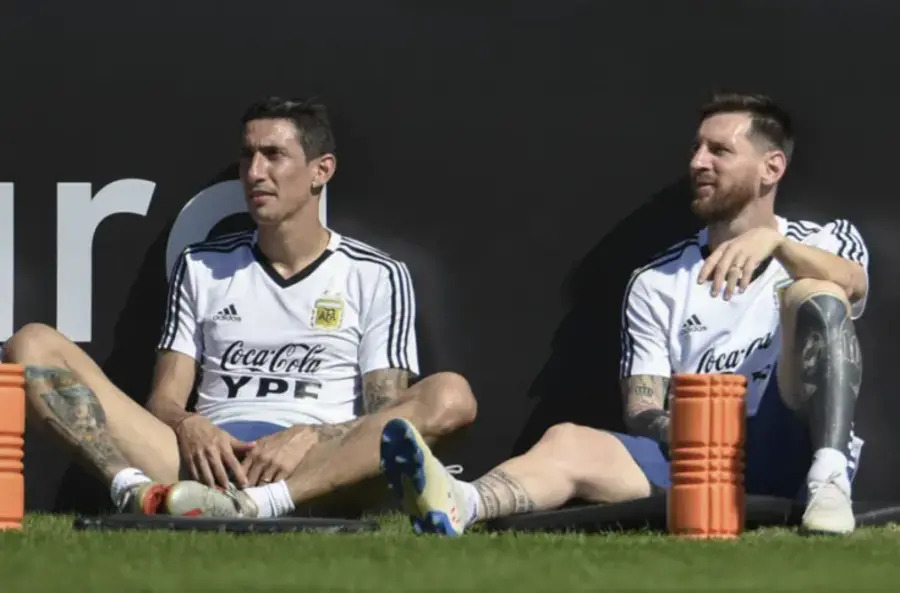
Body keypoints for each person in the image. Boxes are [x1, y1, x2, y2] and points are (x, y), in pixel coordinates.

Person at [380, 91, 868, 536]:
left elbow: (851, 285)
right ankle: (462, 503)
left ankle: (829, 479)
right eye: (696, 149)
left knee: (814, 292)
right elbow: (641, 406)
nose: (698, 162)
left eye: (719, 151)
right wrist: (680, 430)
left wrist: (777, 245)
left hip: (790, 438)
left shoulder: (828, 239)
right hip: (699, 456)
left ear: (771, 168)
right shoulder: (656, 278)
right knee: (566, 439)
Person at [3, 96, 477, 519]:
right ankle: (134, 491)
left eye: (273, 155)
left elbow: (385, 417)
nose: (254, 172)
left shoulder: (375, 273)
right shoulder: (201, 264)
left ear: (321, 170)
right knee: (32, 343)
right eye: (247, 155)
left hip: (313, 469)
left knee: (451, 395)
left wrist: (310, 435)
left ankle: (264, 505)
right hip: (203, 467)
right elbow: (164, 402)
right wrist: (190, 424)